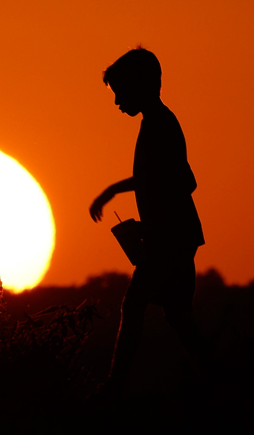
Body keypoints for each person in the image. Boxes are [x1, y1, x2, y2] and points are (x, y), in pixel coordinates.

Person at [89, 47, 206, 394]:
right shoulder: (157, 123)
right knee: (178, 316)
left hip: (171, 239)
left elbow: (183, 181)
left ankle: (114, 388)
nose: (117, 102)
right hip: (172, 236)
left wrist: (115, 191)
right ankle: (222, 378)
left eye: (120, 92)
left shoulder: (161, 124)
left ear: (140, 85)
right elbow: (163, 178)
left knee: (135, 304)